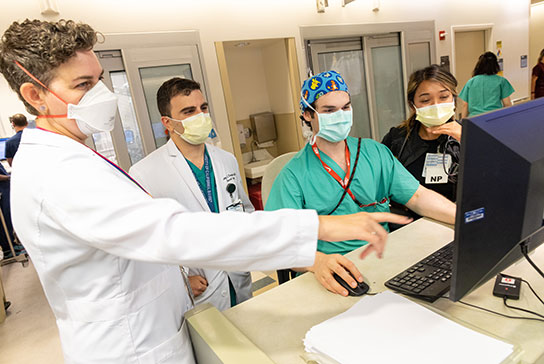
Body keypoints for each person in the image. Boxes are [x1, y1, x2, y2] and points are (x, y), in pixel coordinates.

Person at [0, 19, 411, 363]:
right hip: (132, 347)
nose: (102, 97)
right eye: (83, 85)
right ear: (35, 95)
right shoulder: (58, 174)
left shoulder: (78, 157)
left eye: (101, 81)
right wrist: (315, 228)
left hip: (173, 319)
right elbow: (170, 232)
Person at [265, 70, 456, 297]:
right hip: (331, 272)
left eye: (345, 107)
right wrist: (316, 262)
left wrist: (466, 219)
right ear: (308, 115)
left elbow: (417, 196)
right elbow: (278, 238)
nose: (340, 115)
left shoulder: (374, 152)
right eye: (329, 110)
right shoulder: (293, 175)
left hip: (383, 261)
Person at [130, 77, 253, 311]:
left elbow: (244, 210)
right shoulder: (145, 173)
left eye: (203, 108)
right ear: (168, 122)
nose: (201, 116)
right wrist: (179, 280)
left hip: (238, 274)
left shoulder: (226, 160)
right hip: (198, 287)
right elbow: (145, 243)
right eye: (188, 111)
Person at [382, 65, 461, 208]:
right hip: (409, 224)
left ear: (453, 99)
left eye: (444, 97)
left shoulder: (467, 136)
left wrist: (468, 141)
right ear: (413, 105)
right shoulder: (397, 139)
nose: (436, 105)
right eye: (425, 100)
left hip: (454, 219)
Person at [458, 51, 514, 117]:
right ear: (495, 65)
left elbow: (465, 105)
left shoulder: (471, 82)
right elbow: (507, 104)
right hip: (494, 117)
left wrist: (463, 123)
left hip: (474, 119)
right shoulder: (501, 81)